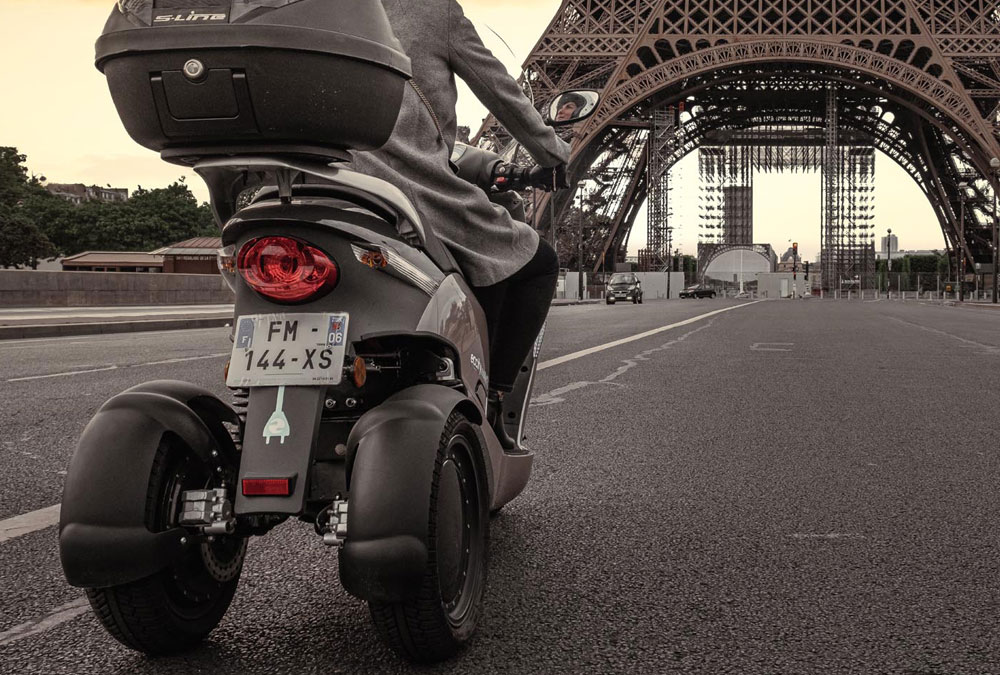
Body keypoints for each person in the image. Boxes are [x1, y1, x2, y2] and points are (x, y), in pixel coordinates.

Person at [350, 0, 571, 450]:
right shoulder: (432, 10)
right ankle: (487, 394)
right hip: (412, 184)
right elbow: (500, 91)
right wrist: (553, 153)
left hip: (321, 182)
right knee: (535, 262)